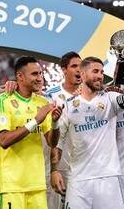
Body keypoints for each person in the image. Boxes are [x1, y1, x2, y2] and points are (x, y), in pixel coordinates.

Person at [56, 56, 124, 209]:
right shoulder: (68, 106)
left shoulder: (111, 99)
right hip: (78, 180)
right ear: (82, 74)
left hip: (109, 179)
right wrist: (54, 171)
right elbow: (57, 143)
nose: (100, 76)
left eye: (101, 72)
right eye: (95, 71)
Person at [0, 56, 62, 209]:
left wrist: (55, 122)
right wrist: (35, 120)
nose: (40, 78)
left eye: (41, 73)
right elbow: (3, 140)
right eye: (34, 74)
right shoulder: (1, 101)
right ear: (20, 77)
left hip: (37, 184)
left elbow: (52, 142)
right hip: (10, 186)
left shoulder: (42, 103)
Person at [46, 51, 81, 209]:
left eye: (81, 66)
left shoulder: (89, 95)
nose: (79, 70)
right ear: (64, 70)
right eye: (74, 66)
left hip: (82, 166)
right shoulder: (50, 96)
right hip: (58, 166)